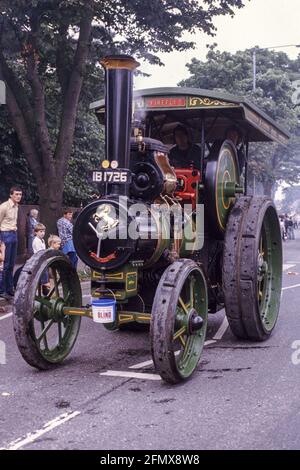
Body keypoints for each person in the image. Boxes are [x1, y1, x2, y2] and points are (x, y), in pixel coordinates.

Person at [0, 186, 22, 300]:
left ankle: (9, 289)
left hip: (14, 234)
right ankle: (2, 290)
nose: (18, 196)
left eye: (20, 194)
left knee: (12, 264)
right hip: (5, 235)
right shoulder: (4, 207)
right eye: (16, 194)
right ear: (11, 195)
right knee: (5, 265)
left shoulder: (16, 207)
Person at [32, 223, 50, 294]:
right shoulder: (36, 241)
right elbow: (39, 252)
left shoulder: (42, 240)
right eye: (40, 231)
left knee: (45, 270)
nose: (43, 233)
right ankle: (44, 283)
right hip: (38, 259)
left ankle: (44, 286)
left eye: (43, 231)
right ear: (36, 232)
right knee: (43, 270)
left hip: (43, 258)